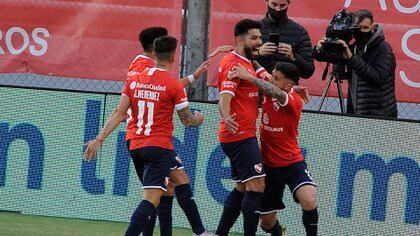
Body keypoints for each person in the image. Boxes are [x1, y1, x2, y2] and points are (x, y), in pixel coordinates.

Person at [84, 36, 207, 236]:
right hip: (158, 147)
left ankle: (196, 231)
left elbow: (119, 112)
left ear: (154, 54)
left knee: (160, 194)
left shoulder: (134, 80)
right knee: (150, 199)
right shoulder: (173, 85)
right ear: (174, 57)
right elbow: (187, 120)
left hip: (135, 146)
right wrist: (199, 119)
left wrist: (99, 139)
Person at [125, 27, 211, 236]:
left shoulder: (142, 67)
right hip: (150, 137)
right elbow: (166, 89)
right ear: (156, 48)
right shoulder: (144, 65)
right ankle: (199, 232)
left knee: (170, 186)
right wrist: (197, 117)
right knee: (155, 193)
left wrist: (192, 77)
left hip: (141, 137)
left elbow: (165, 87)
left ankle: (188, 232)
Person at [230, 62, 318, 236]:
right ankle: (279, 232)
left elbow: (275, 91)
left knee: (309, 199)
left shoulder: (293, 100)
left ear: (287, 86)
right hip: (269, 168)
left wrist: (249, 77)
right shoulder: (271, 82)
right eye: (272, 74)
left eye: (276, 78)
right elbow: (256, 64)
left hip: (293, 163)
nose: (271, 78)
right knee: (267, 224)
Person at [215, 19, 265, 236]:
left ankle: (220, 233)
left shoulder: (245, 62)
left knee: (242, 187)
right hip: (239, 135)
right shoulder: (233, 64)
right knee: (257, 186)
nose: (259, 42)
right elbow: (224, 97)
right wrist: (226, 117)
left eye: (260, 38)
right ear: (239, 40)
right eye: (254, 38)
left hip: (241, 133)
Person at [314, 9, 398, 118]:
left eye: (365, 28)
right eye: (358, 28)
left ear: (373, 27)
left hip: (381, 115)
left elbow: (378, 78)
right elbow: (332, 57)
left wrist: (352, 59)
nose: (362, 31)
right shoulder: (354, 48)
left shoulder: (384, 49)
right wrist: (319, 49)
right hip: (356, 112)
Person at [257, 0, 315, 79]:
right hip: (256, 84)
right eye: (274, 4)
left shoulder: (300, 32)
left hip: (285, 87)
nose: (278, 9)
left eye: (282, 5)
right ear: (266, 2)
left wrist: (293, 57)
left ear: (289, 3)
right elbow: (240, 60)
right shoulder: (254, 28)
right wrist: (258, 53)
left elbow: (308, 72)